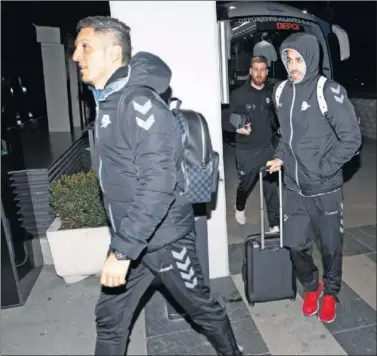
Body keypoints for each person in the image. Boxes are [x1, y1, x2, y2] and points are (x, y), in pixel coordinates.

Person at [72, 16, 242, 356]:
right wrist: (125, 246)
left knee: (202, 310)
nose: (76, 55)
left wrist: (122, 252)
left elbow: (159, 183)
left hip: (164, 240)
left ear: (113, 53)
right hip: (133, 240)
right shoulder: (107, 102)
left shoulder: (138, 104)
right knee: (110, 321)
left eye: (85, 47)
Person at [266, 33, 361, 323]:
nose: (293, 66)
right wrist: (281, 156)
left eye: (298, 59)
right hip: (294, 187)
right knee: (294, 245)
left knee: (331, 247)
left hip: (325, 188)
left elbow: (351, 138)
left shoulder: (327, 91)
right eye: (288, 60)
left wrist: (324, 167)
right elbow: (285, 135)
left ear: (311, 58)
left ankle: (330, 293)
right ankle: (313, 285)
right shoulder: (281, 92)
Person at [230, 55, 280, 230]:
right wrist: (237, 129)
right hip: (246, 150)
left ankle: (274, 224)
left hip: (267, 148)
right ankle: (240, 206)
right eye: (256, 70)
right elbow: (225, 118)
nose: (259, 73)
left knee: (271, 187)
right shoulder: (238, 95)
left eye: (263, 70)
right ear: (250, 71)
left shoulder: (270, 94)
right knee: (246, 185)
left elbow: (276, 118)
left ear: (266, 72)